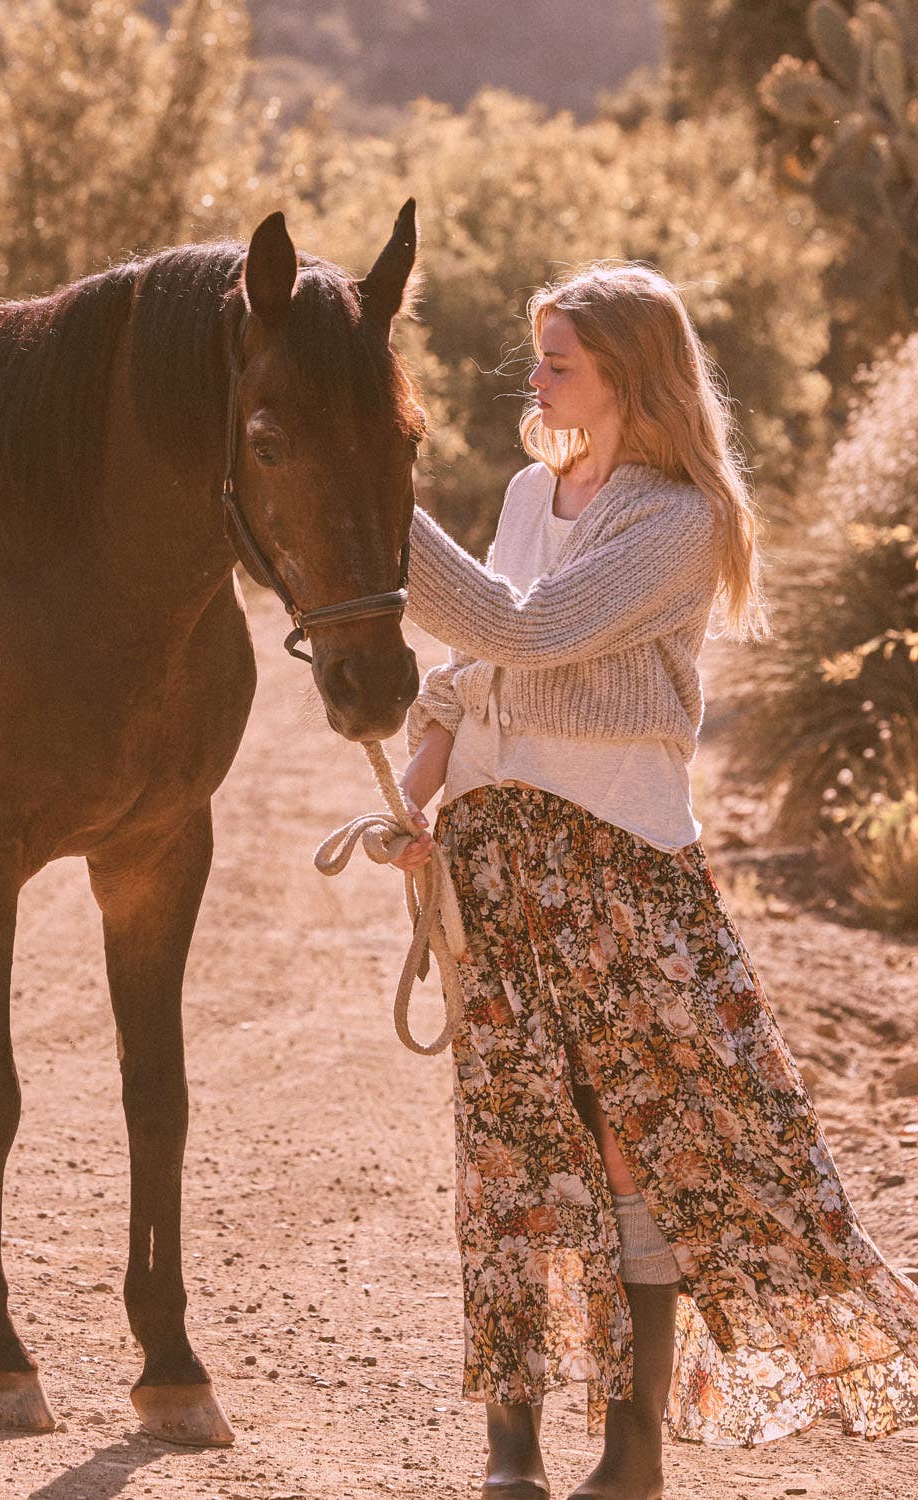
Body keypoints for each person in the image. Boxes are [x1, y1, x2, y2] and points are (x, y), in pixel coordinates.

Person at [393, 261, 918, 1500]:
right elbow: (472, 670)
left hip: (616, 858)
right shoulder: (532, 489)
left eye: (558, 359)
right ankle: (510, 1450)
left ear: (629, 372)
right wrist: (418, 784)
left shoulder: (680, 519)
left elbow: (524, 629)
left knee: (642, 1144)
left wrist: (379, 510)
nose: (535, 378)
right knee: (513, 1144)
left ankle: (632, 1455)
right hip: (494, 850)